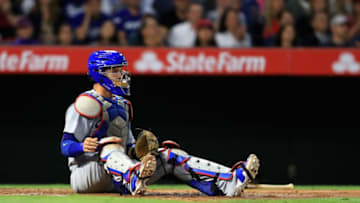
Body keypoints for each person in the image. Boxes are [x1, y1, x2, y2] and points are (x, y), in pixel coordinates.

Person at [60, 50, 260, 196]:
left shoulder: (123, 104)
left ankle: (230, 180)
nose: (122, 75)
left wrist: (143, 153)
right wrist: (82, 146)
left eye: (122, 70)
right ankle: (132, 176)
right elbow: (65, 145)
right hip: (86, 174)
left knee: (170, 155)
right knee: (110, 144)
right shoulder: (86, 103)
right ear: (99, 72)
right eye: (115, 71)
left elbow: (128, 148)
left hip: (118, 174)